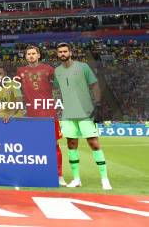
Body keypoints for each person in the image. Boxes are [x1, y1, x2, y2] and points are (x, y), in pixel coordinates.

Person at [54, 42, 111, 190]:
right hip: (67, 115)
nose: (62, 54)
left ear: (70, 52)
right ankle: (77, 179)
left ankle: (104, 179)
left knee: (94, 144)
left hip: (85, 113)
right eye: (60, 52)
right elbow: (56, 89)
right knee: (71, 145)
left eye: (65, 51)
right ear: (57, 54)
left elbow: (95, 85)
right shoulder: (57, 71)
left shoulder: (83, 67)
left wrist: (97, 105)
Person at [17, 45, 66, 186]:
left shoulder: (49, 69)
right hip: (31, 115)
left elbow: (59, 86)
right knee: (32, 146)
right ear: (25, 56)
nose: (31, 56)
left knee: (54, 145)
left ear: (38, 55)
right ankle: (36, 174)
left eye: (33, 53)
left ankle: (59, 175)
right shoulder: (20, 71)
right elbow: (15, 91)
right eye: (28, 54)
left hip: (49, 113)